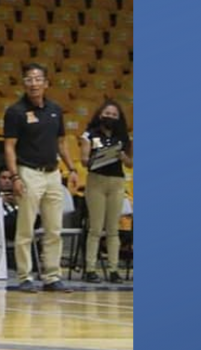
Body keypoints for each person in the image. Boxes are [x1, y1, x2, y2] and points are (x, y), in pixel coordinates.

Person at [2, 63, 79, 293]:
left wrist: (72, 168)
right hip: (28, 172)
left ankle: (52, 277)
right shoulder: (15, 111)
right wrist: (15, 175)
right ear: (24, 83)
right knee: (25, 228)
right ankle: (25, 276)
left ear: (46, 83)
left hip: (53, 173)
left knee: (54, 228)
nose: (33, 83)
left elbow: (62, 143)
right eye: (29, 79)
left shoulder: (55, 109)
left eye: (38, 79)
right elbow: (9, 147)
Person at [79, 99, 132, 284]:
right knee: (95, 228)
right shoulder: (89, 134)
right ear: (100, 114)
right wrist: (98, 156)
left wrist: (121, 155)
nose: (110, 117)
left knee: (113, 229)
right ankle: (90, 269)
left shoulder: (123, 137)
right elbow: (84, 161)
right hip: (96, 180)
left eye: (114, 115)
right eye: (107, 113)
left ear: (119, 118)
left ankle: (114, 269)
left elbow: (130, 163)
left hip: (117, 182)